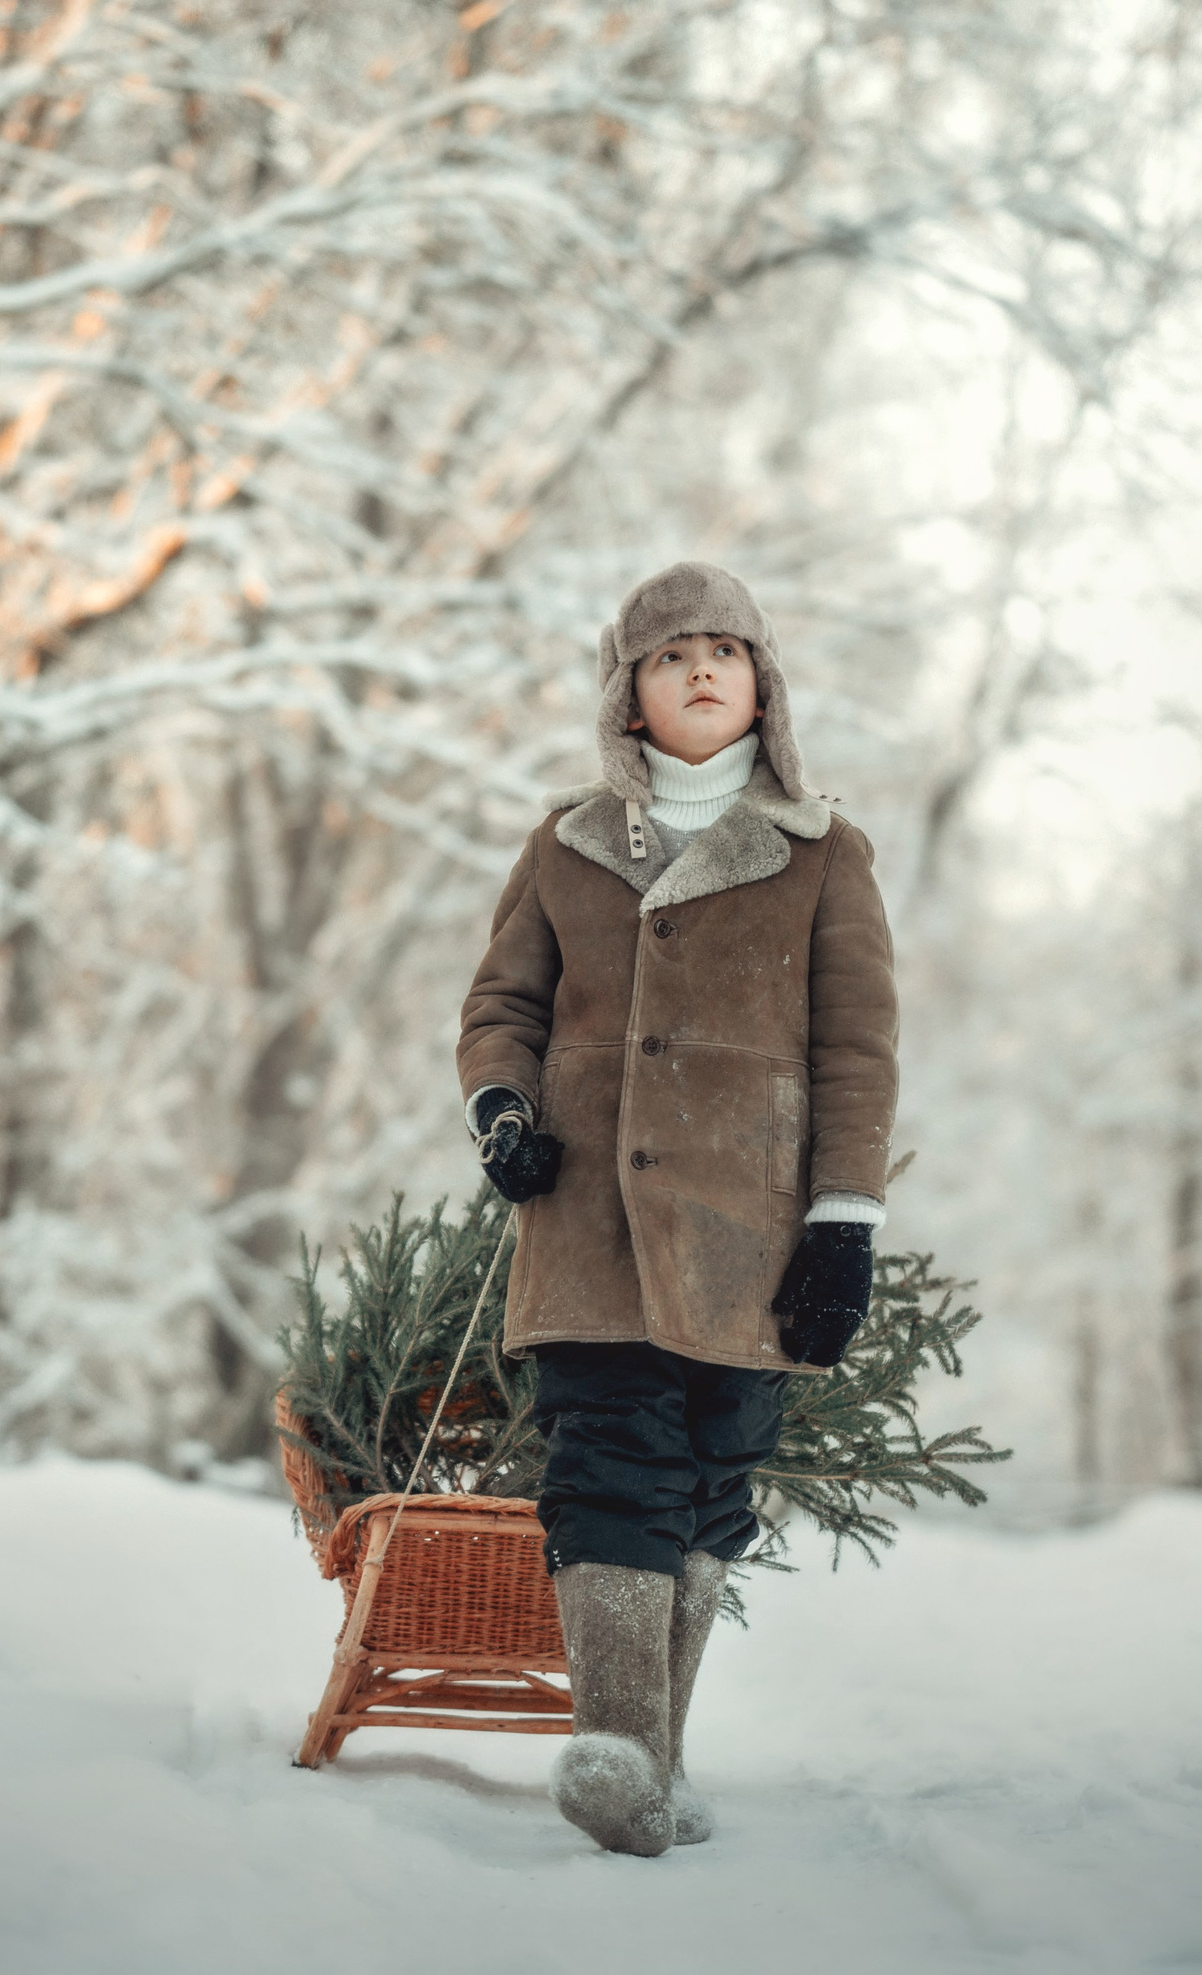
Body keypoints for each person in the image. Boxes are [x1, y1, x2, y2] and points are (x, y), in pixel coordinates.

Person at [457, 560, 898, 1856]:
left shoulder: (824, 853)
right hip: (588, 1215)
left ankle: (655, 1759)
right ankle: (614, 1747)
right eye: (669, 655)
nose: (701, 668)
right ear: (629, 696)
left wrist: (844, 1224)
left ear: (762, 685)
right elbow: (503, 1006)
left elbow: (857, 1052)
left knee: (712, 1477)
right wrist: (503, 1110)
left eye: (726, 650)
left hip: (747, 1228)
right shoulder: (566, 845)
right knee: (607, 1458)